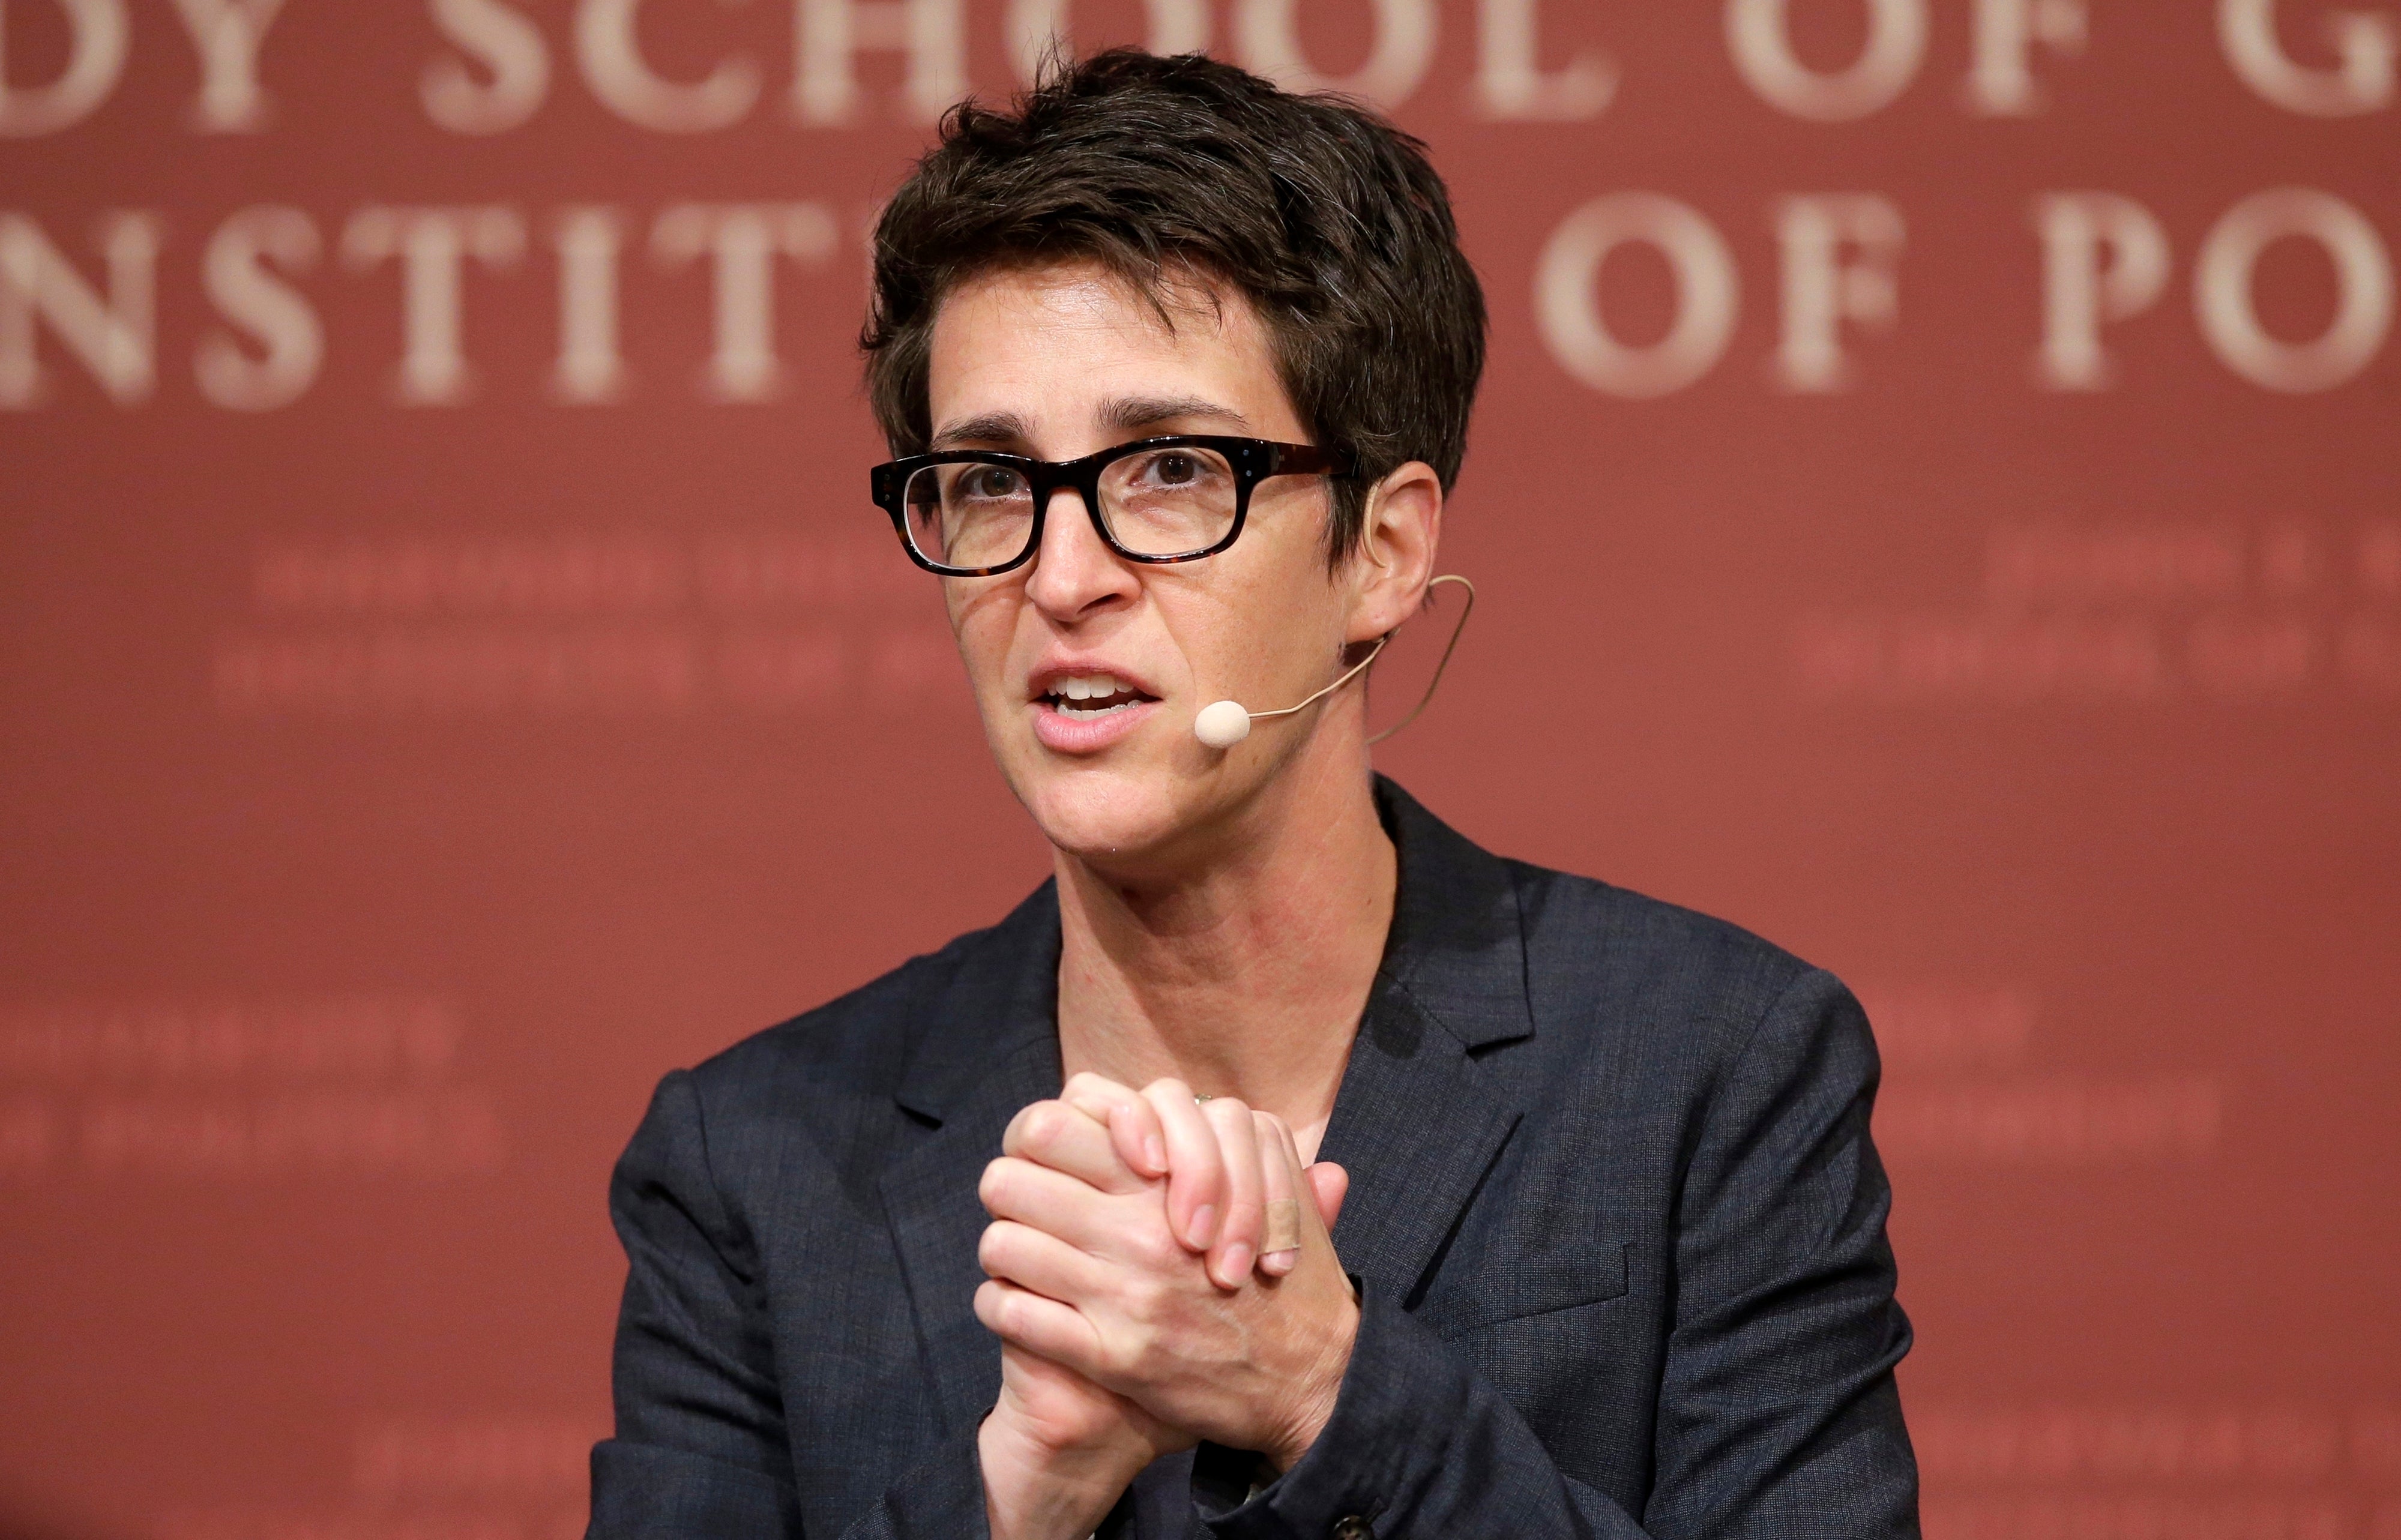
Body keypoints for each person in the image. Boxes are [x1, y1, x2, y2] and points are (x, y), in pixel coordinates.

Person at [586, 48, 1917, 1540]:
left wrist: (1325, 1395)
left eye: (1168, 470)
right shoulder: (752, 1158)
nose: (1061, 576)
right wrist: (1015, 1494)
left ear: (1381, 553)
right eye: (988, 479)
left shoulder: (1709, 1067)